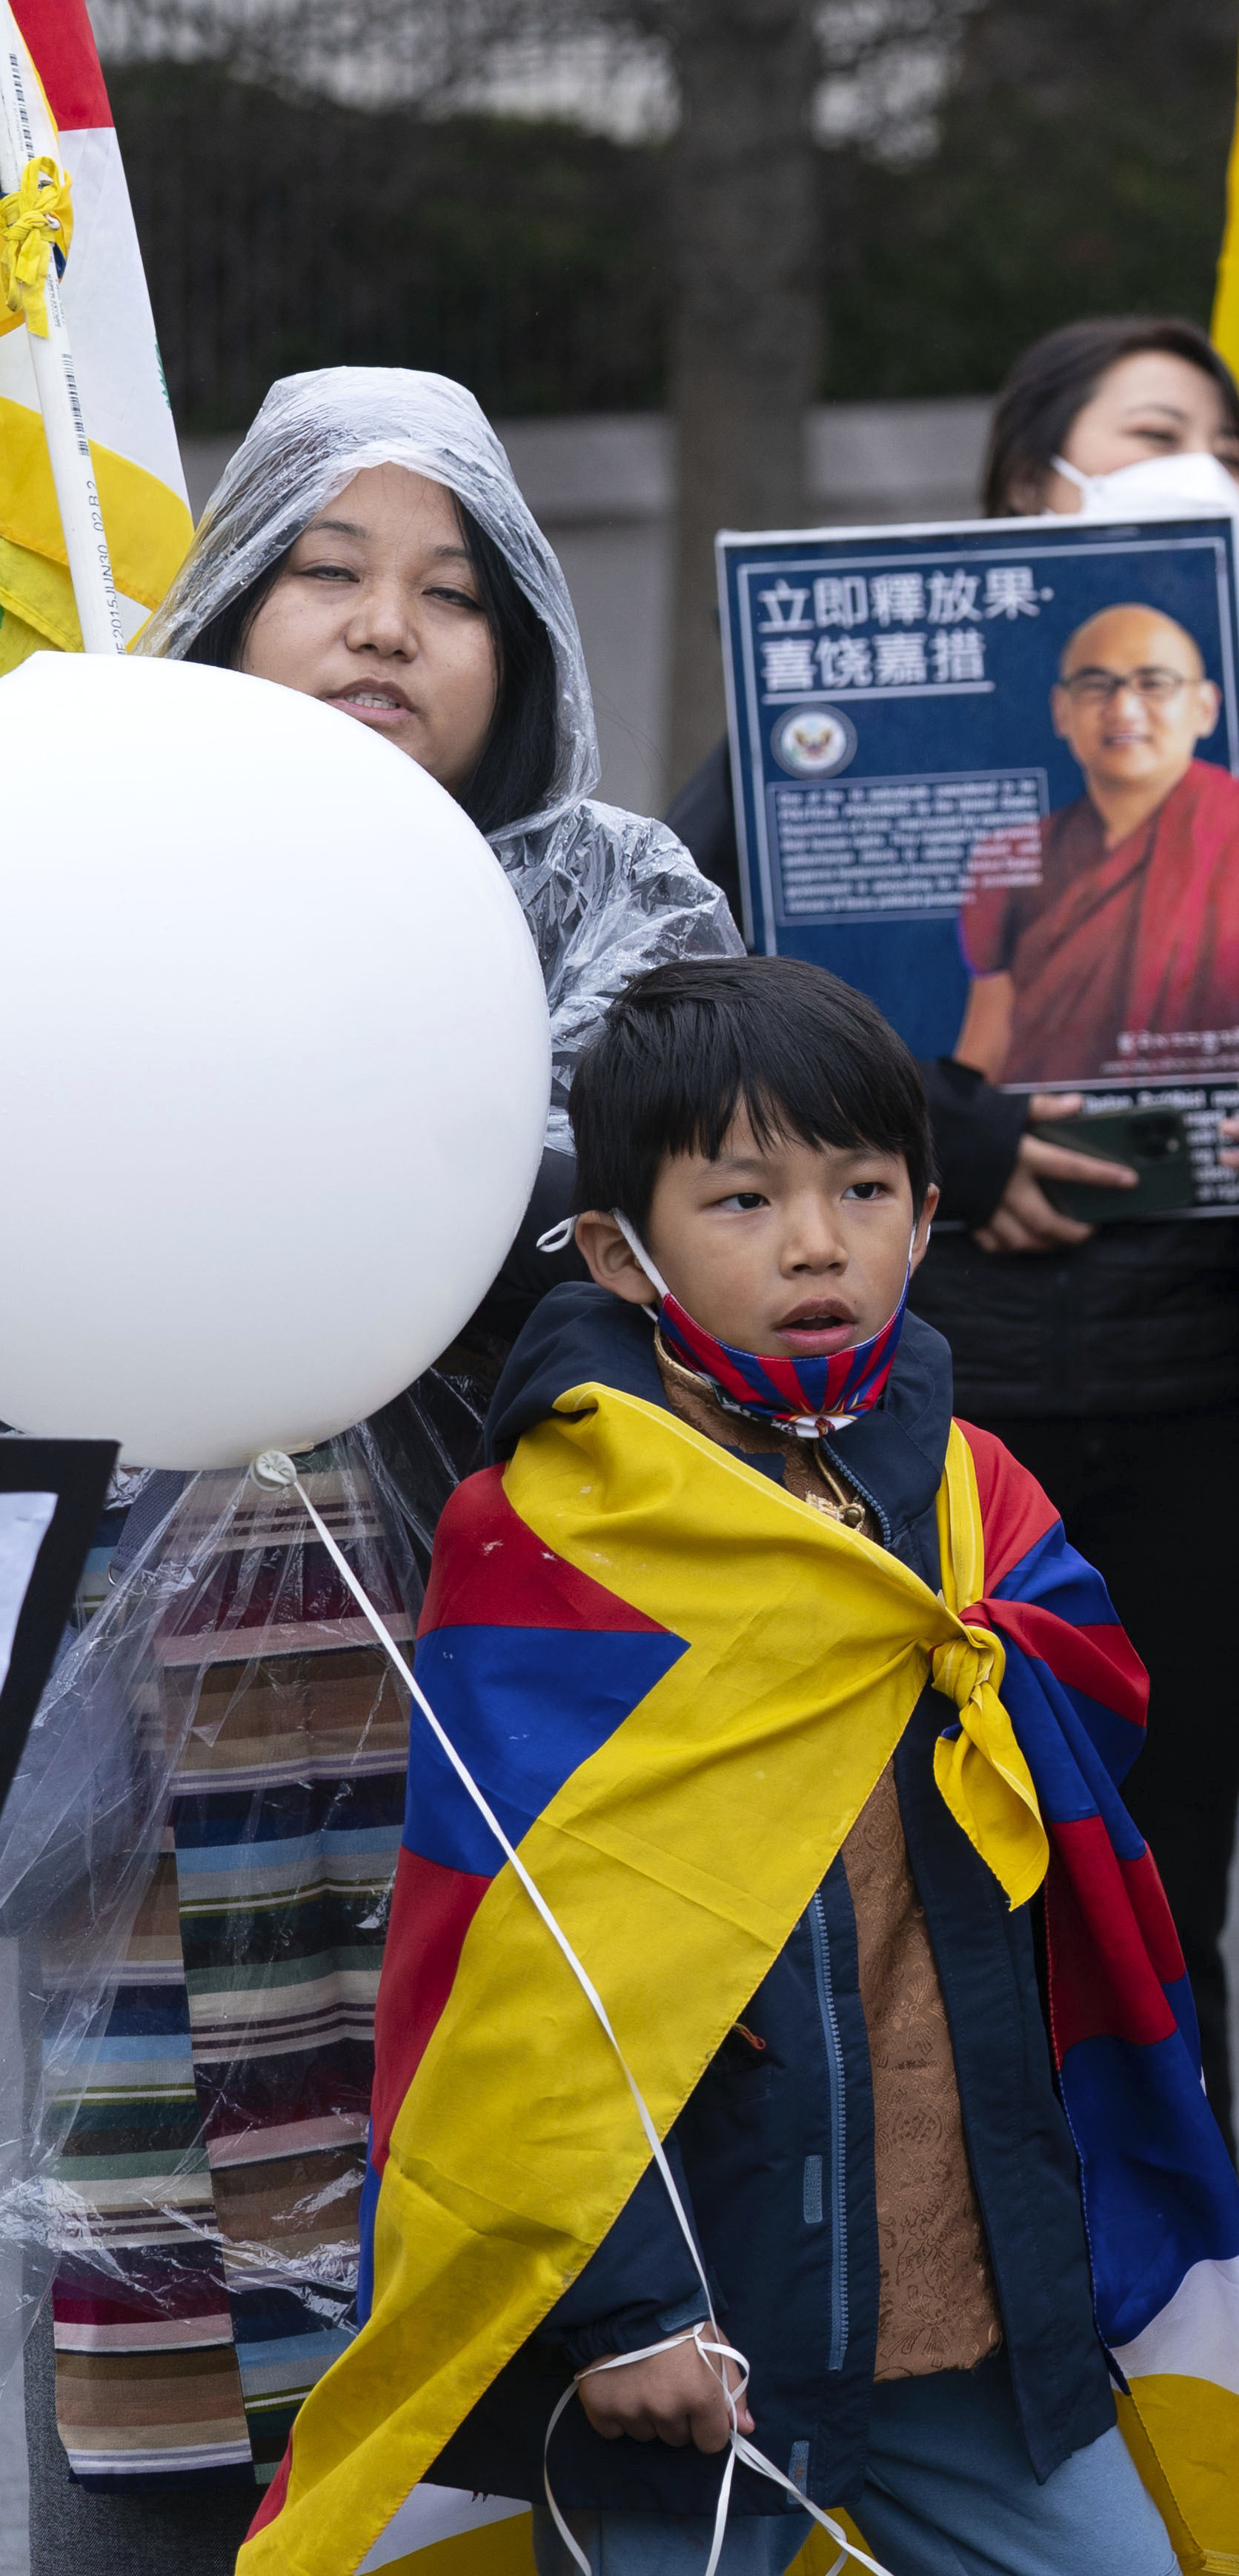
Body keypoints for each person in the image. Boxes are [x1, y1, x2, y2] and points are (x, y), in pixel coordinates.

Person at [0, 369, 733, 2572]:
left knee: (500, 2332)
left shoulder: (619, 919)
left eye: (450, 588)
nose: (383, 626)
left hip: (486, 1770)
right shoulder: (70, 894)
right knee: (145, 2345)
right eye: (327, 567)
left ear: (524, 650)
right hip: (129, 1787)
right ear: (230, 605)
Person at [310, 956, 1195, 2575]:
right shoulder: (555, 1535)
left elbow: (1097, 1717)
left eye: (862, 1187)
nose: (815, 1241)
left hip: (964, 2292)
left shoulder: (963, 1492)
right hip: (696, 2329)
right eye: (742, 1197)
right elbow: (517, 1970)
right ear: (616, 1250)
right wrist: (625, 2305)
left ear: (928, 1216)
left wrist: (967, 1655)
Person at [911, 316, 1239, 2146]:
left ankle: (1198, 2378)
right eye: (1154, 428)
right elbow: (733, 977)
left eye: (1227, 440)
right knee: (944, 1892)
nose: (1205, 461)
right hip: (951, 1410)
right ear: (1038, 482)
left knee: (1164, 1900)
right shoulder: (916, 723)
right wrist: (939, 1129)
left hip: (1208, 1398)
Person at [949, 599, 1239, 1086]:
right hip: (1050, 1142)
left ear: (1204, 709)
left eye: (1154, 684)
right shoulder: (1011, 856)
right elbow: (984, 1054)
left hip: (1223, 1128)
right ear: (1062, 711)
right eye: (1096, 685)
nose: (1123, 708)